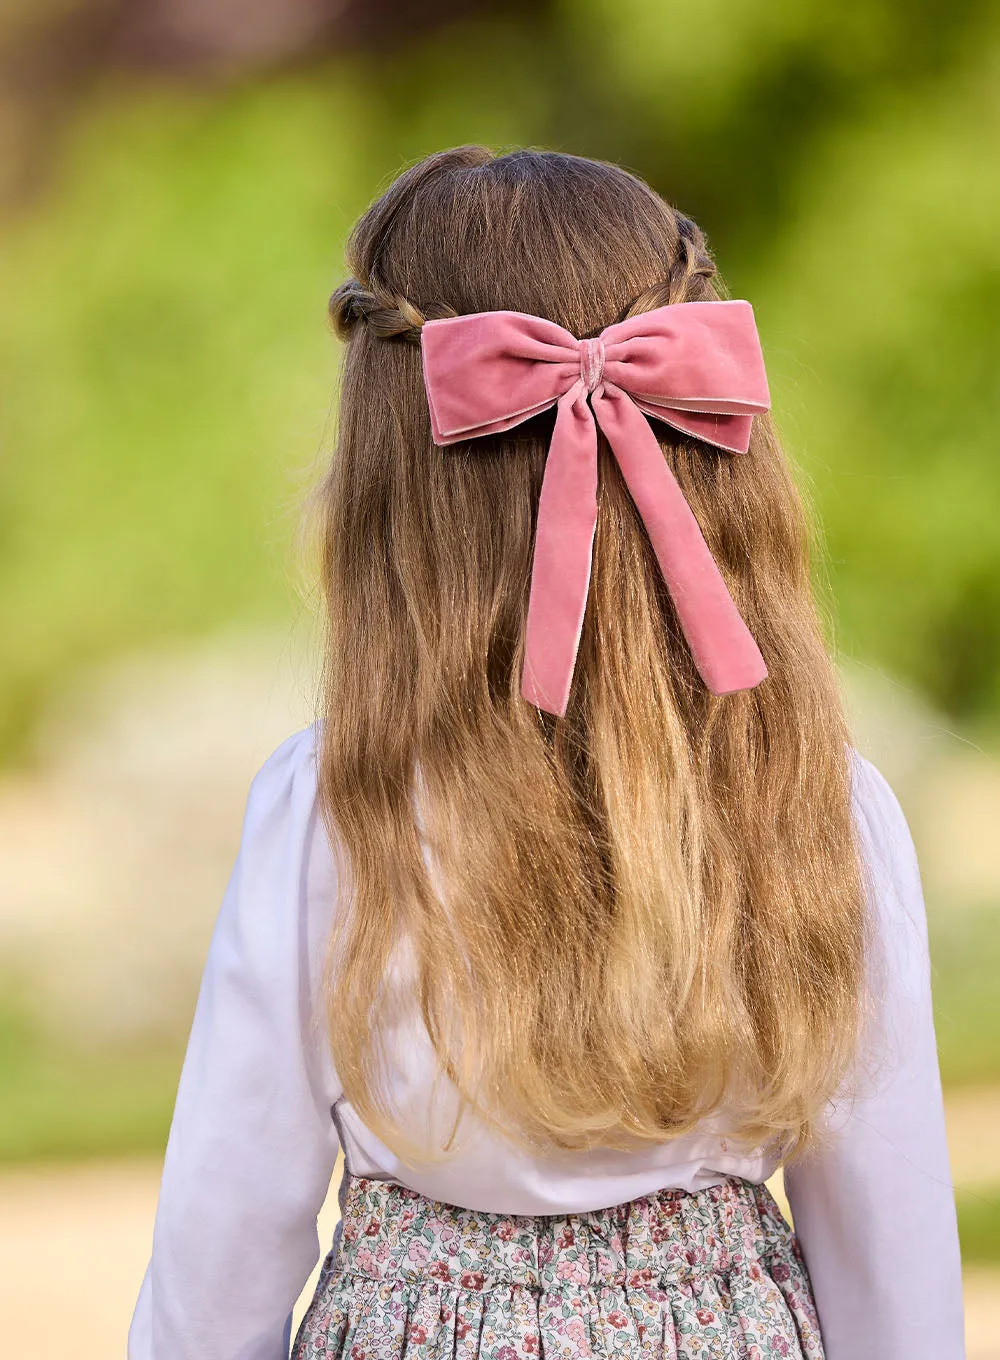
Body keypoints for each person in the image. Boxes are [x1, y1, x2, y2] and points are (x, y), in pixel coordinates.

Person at [127, 147, 965, 1360]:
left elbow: (224, 1250)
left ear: (385, 472)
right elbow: (893, 1266)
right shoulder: (821, 799)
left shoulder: (331, 808)